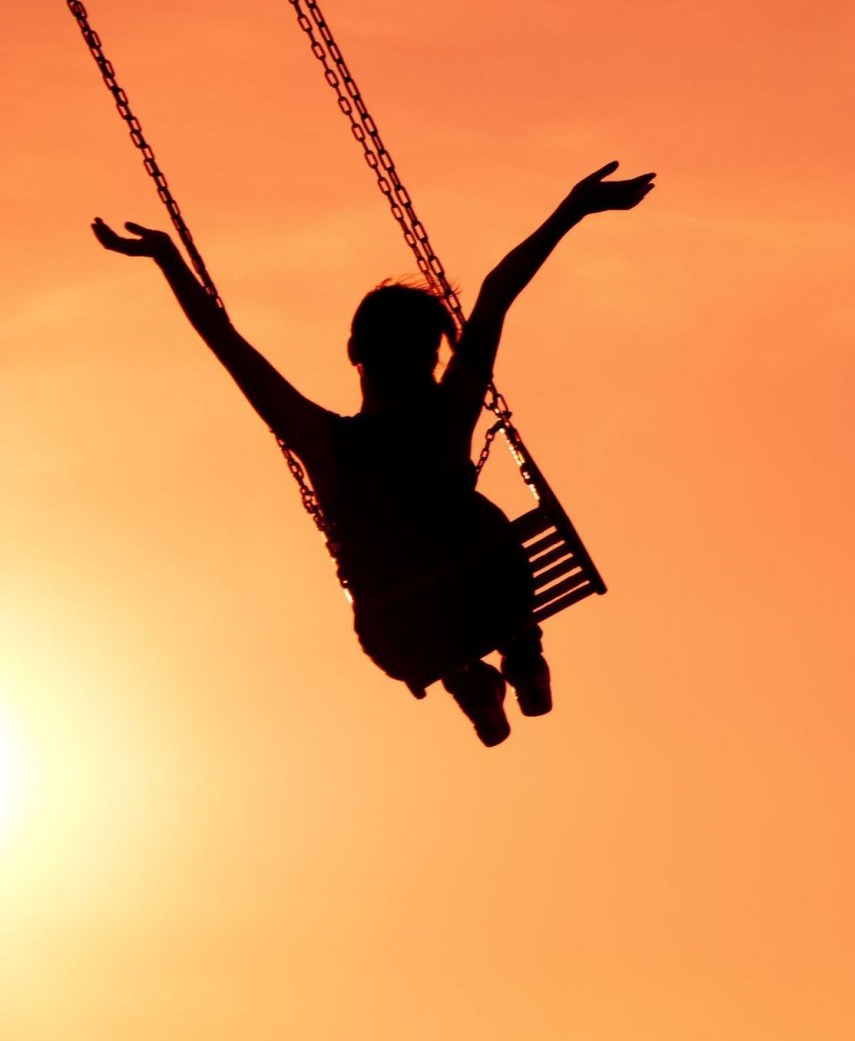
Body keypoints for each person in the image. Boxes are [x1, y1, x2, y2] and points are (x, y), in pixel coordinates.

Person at [92, 161, 655, 745]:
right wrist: (571, 210)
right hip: (495, 594)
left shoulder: (323, 441)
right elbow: (496, 293)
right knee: (476, 525)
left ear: (352, 349)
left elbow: (229, 347)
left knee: (397, 577)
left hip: (405, 637)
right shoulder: (450, 409)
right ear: (434, 357)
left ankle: (470, 682)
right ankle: (522, 653)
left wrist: (168, 262)